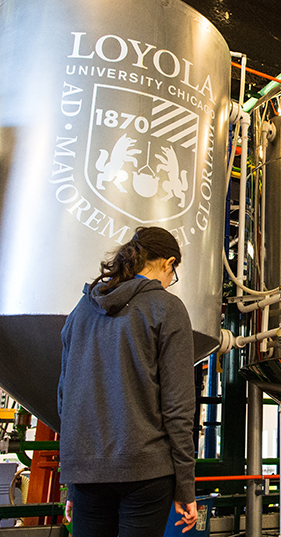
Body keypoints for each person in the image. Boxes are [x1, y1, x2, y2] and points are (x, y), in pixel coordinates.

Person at [58, 227, 198, 536]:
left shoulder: (81, 311)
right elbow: (178, 407)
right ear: (168, 263)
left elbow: (65, 398)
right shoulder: (166, 308)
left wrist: (74, 478)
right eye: (172, 273)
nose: (169, 281)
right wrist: (185, 487)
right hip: (145, 471)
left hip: (87, 474)